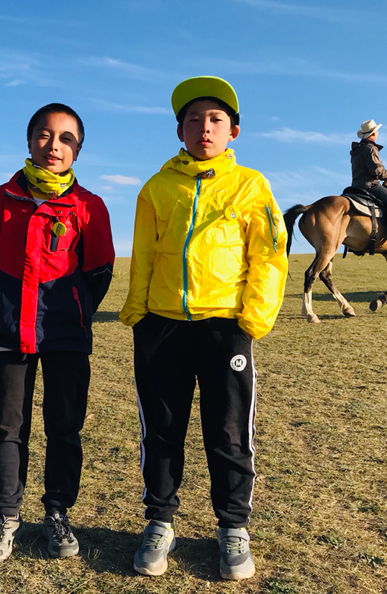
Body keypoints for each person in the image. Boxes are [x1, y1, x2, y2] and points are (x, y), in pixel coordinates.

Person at [120, 76, 288, 580]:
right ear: (180, 131)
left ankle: (233, 527)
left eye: (215, 119)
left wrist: (253, 319)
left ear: (233, 131)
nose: (204, 128)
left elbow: (269, 255)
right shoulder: (157, 187)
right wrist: (137, 314)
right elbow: (144, 254)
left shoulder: (251, 185)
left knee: (229, 431)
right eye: (193, 120)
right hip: (162, 327)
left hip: (225, 328)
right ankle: (159, 522)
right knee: (162, 429)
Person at [0, 103, 115, 565]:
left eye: (66, 138)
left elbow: (99, 271)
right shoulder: (3, 198)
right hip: (10, 330)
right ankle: (7, 516)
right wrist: (19, 305)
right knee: (7, 425)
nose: (53, 145)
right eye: (44, 134)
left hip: (67, 334)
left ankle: (57, 512)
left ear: (78, 149)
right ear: (29, 139)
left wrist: (72, 308)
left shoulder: (89, 206)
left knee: (65, 426)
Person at [350, 119, 387, 247]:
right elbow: (376, 170)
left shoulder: (357, 150)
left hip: (356, 186)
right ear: (373, 134)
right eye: (377, 131)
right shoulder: (370, 148)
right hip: (370, 185)